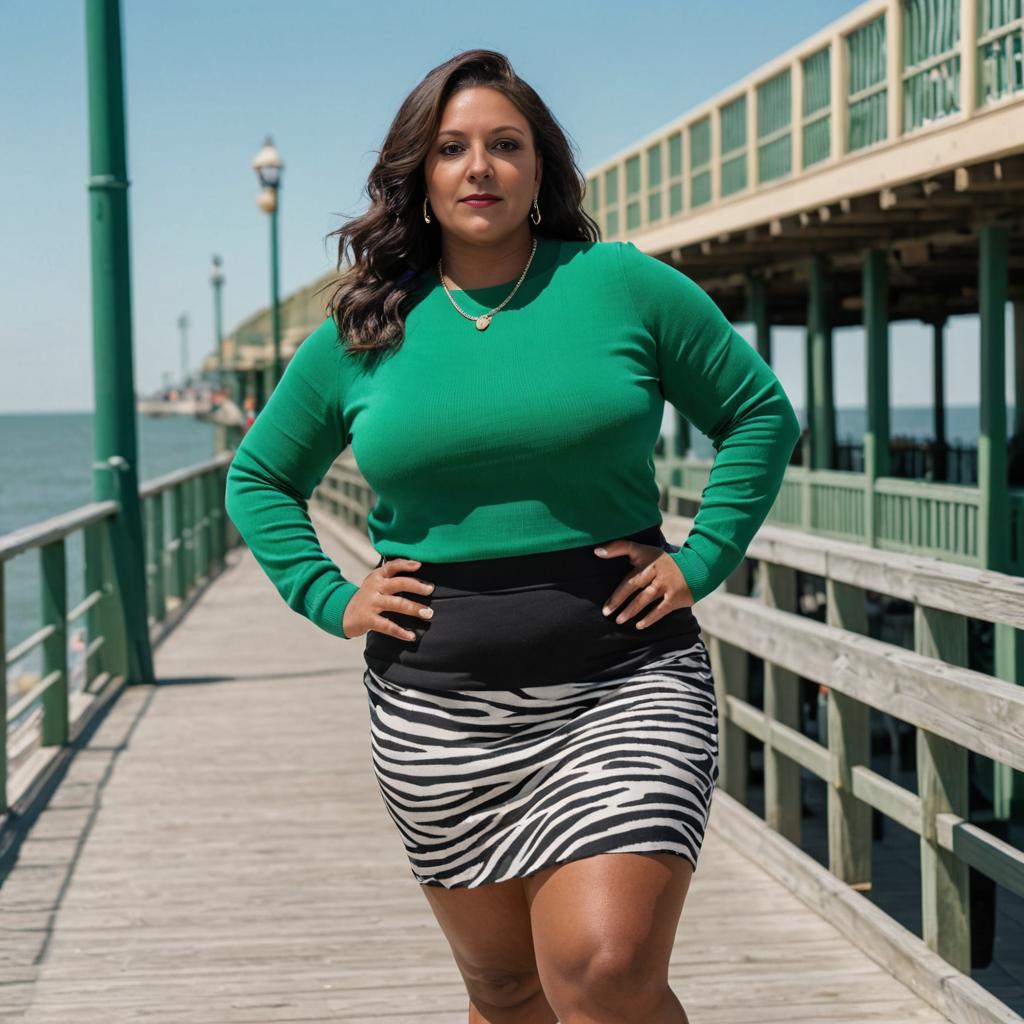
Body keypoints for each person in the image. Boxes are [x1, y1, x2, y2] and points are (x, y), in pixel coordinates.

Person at [225, 48, 801, 1024]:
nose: (479, 166)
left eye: (505, 144)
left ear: (541, 168)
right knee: (504, 988)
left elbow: (758, 412)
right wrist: (331, 595)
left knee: (604, 968)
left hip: (625, 681)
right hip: (437, 712)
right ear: (419, 175)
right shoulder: (365, 328)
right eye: (452, 148)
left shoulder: (622, 285)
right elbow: (260, 476)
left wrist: (701, 557)